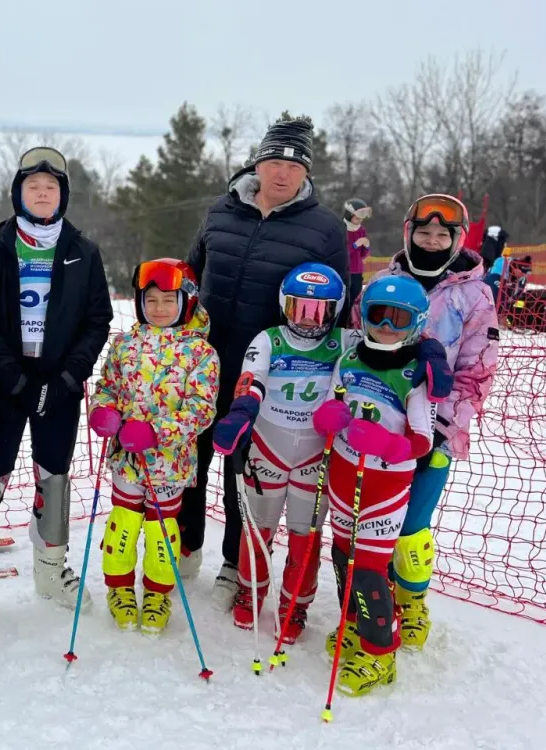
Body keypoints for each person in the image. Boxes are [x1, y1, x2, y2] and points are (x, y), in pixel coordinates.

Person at [0, 146, 113, 629]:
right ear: (18, 194)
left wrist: (67, 377)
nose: (42, 194)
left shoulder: (83, 251)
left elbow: (97, 320)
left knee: (54, 478)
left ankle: (51, 573)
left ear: (63, 197)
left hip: (58, 385)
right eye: (33, 187)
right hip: (5, 384)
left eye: (51, 187)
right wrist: (11, 377)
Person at [182, 116, 349, 610]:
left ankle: (235, 564)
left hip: (268, 370)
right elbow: (191, 273)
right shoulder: (221, 210)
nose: (282, 173)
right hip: (204, 363)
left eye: (294, 166)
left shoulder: (324, 228)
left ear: (306, 175)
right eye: (275, 161)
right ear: (258, 163)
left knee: (248, 469)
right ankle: (186, 544)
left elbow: (339, 304)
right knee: (191, 455)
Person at [351, 194, 498, 651]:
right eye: (423, 232)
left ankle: (412, 599)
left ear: (457, 239)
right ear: (408, 232)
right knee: (371, 523)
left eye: (442, 234)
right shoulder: (382, 282)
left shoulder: (473, 294)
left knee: (411, 525)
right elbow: (357, 345)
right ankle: (375, 601)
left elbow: (478, 370)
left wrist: (441, 426)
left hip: (434, 433)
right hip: (374, 429)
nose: (431, 241)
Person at [210, 263, 358, 644]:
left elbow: (388, 345)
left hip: (316, 452)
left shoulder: (344, 341)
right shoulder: (269, 338)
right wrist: (241, 410)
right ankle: (250, 589)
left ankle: (296, 604)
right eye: (299, 309)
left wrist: (427, 349)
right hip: (268, 446)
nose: (308, 322)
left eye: (318, 311)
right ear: (283, 306)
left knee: (304, 534)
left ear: (336, 309)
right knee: (258, 527)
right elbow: (252, 379)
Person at [316, 275, 437, 696]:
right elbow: (334, 401)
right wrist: (329, 418)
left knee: (368, 571)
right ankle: (353, 624)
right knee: (342, 555)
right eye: (377, 315)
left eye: (398, 318)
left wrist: (386, 442)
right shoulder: (349, 357)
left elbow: (422, 440)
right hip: (345, 473)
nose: (386, 325)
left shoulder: (414, 373)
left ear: (415, 323)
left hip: (384, 485)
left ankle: (380, 651)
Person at [87, 259, 219, 633]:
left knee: (162, 531)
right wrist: (104, 412)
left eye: (168, 300)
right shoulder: (125, 344)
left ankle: (158, 593)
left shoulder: (201, 353)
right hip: (127, 458)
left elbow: (201, 408)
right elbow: (108, 386)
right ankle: (120, 589)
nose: (159, 308)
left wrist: (156, 432)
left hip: (169, 462)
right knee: (123, 525)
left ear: (187, 302)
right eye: (151, 300)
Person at [343, 198, 372, 304]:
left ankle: (352, 319)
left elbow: (363, 255)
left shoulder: (361, 230)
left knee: (355, 299)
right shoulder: (342, 228)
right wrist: (355, 245)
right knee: (345, 299)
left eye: (361, 219)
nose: (359, 222)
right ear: (349, 215)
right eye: (357, 219)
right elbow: (342, 252)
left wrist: (366, 246)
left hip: (357, 271)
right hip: (345, 271)